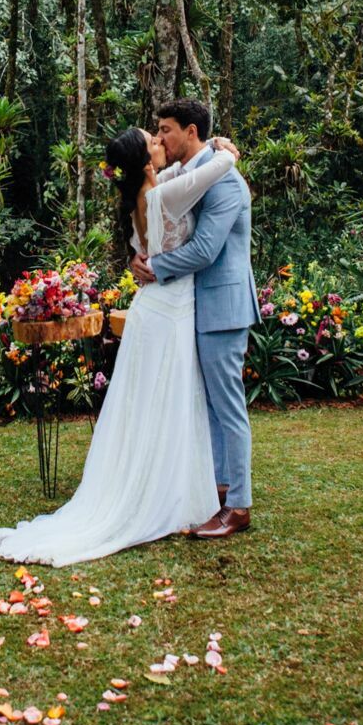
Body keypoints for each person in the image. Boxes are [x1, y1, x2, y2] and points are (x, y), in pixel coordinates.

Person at [0, 122, 242, 567]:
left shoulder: (148, 193)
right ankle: (169, 493)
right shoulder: (165, 192)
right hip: (170, 310)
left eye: (160, 135)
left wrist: (138, 259)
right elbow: (215, 169)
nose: (161, 142)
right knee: (170, 400)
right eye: (153, 140)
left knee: (156, 403)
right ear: (145, 159)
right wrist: (225, 149)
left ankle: (171, 484)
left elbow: (152, 227)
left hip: (157, 308)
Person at [131, 98, 259, 539]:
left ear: (190, 131)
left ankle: (238, 506)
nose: (160, 137)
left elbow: (206, 249)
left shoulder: (225, 183)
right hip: (199, 307)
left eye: (165, 129)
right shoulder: (194, 173)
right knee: (212, 407)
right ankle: (221, 488)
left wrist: (156, 268)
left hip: (223, 307)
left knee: (228, 407)